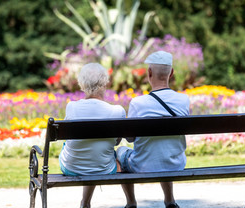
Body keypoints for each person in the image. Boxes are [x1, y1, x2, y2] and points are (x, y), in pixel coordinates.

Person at [117, 51, 190, 208]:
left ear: (149, 73)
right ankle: (169, 200)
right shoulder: (184, 100)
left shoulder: (138, 103)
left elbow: (130, 139)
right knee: (165, 149)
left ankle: (131, 203)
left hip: (142, 165)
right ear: (171, 73)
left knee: (120, 153)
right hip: (176, 163)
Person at [59, 63, 126, 208]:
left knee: (84, 147)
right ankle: (130, 201)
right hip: (104, 168)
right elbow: (117, 142)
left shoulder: (71, 107)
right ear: (105, 83)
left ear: (81, 84)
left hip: (70, 166)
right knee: (103, 154)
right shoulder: (117, 111)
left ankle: (85, 202)